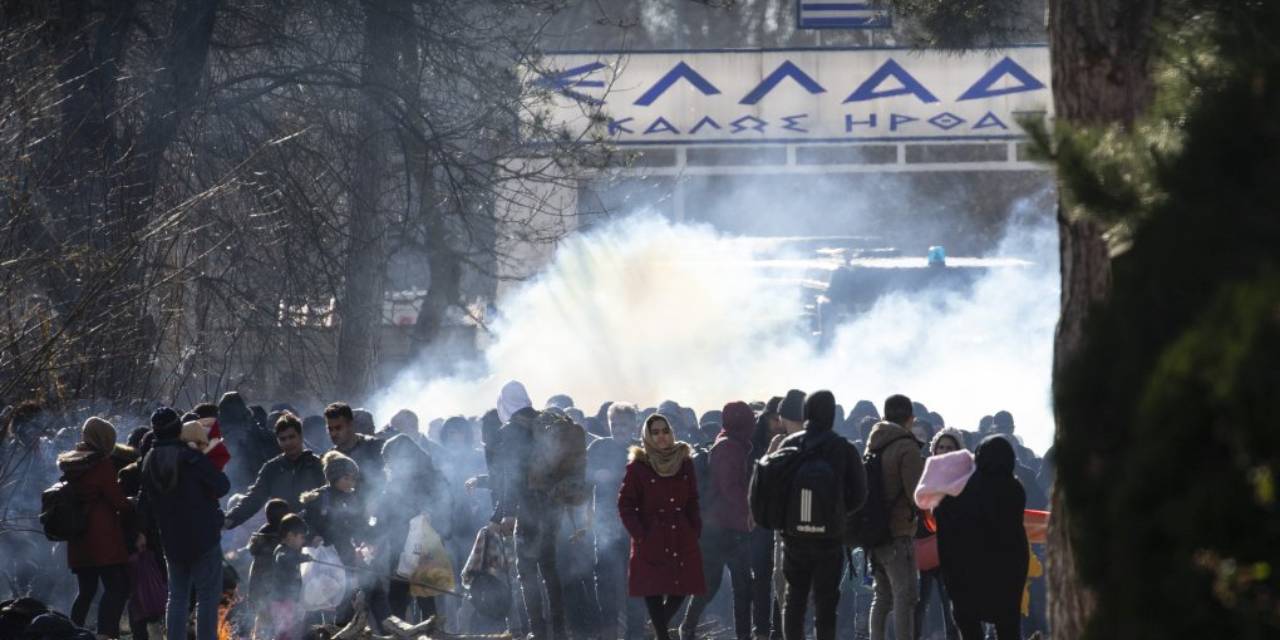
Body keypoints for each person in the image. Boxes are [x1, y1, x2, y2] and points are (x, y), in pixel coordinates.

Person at [774, 391, 867, 640]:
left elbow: (777, 489)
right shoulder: (843, 448)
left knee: (794, 600)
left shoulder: (789, 444)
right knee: (826, 604)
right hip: (830, 537)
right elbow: (859, 494)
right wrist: (837, 513)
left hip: (794, 536)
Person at [138, 407, 231, 640]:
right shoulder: (190, 457)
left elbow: (144, 503)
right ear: (178, 428)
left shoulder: (148, 460)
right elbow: (222, 486)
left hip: (170, 539)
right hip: (204, 537)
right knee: (207, 597)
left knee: (177, 597)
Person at [618, 414, 705, 640]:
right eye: (655, 432)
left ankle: (659, 629)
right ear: (648, 436)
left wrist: (695, 527)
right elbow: (625, 504)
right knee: (653, 588)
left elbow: (693, 499)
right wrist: (640, 534)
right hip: (651, 535)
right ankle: (662, 636)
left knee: (684, 585)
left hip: (681, 533)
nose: (661, 437)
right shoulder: (638, 467)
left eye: (665, 431)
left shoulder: (684, 462)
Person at [933, 436, 1029, 640]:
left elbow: (944, 515)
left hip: (968, 571)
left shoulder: (964, 488)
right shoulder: (1015, 489)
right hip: (1008, 570)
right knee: (1008, 626)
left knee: (969, 626)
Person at [680, 402, 755, 640]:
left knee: (724, 584)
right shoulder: (729, 447)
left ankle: (690, 627)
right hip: (725, 528)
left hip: (719, 527)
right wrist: (751, 510)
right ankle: (691, 628)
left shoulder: (731, 443)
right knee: (733, 584)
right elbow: (729, 487)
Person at [57, 417, 132, 639]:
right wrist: (133, 505)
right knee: (116, 588)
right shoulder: (101, 464)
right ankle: (106, 634)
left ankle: (72, 633)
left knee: (86, 592)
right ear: (104, 439)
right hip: (102, 538)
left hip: (78, 537)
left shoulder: (72, 463)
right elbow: (118, 500)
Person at [866, 394, 926, 640]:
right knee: (906, 596)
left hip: (874, 529)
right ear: (911, 419)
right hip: (898, 531)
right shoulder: (906, 447)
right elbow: (916, 495)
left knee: (882, 596)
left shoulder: (873, 442)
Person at [589, 402, 646, 640]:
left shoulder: (643, 451)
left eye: (624, 424)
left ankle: (635, 634)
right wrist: (595, 475)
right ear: (608, 424)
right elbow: (580, 476)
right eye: (614, 424)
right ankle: (609, 632)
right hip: (605, 526)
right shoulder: (598, 447)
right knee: (605, 582)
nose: (619, 429)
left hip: (635, 527)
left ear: (634, 425)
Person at [223, 413, 326, 530]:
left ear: (301, 436)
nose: (288, 442)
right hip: (283, 533)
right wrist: (230, 519)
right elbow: (254, 499)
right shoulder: (272, 468)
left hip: (314, 532)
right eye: (283, 439)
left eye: (292, 437)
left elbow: (329, 500)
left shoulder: (317, 465)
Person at [915, 429, 965, 640]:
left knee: (951, 608)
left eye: (949, 447)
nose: (944, 451)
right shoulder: (922, 473)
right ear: (934, 448)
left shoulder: (964, 477)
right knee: (918, 605)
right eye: (941, 447)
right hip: (921, 550)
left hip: (951, 552)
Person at [749, 397, 783, 640]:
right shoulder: (754, 443)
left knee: (781, 577)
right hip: (760, 519)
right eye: (774, 419)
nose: (778, 424)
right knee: (761, 577)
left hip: (782, 518)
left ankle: (777, 630)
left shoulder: (791, 440)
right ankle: (760, 630)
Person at [325, 402, 386, 495]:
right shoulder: (329, 458)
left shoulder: (375, 447)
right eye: (330, 429)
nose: (333, 434)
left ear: (350, 425)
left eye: (338, 428)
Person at [268, 514, 310, 640]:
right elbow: (284, 559)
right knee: (284, 634)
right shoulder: (282, 551)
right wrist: (302, 558)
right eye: (301, 537)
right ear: (291, 535)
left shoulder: (292, 552)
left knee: (292, 633)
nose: (303, 541)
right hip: (281, 600)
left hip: (291, 600)